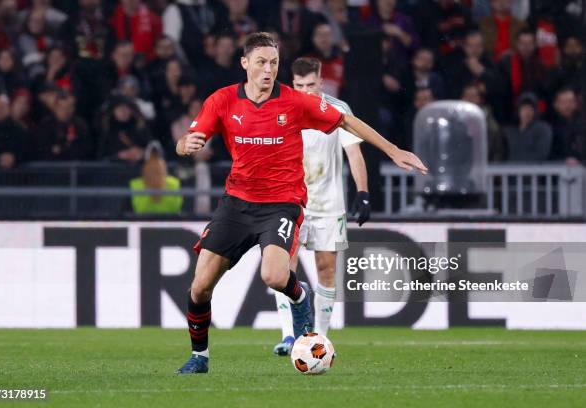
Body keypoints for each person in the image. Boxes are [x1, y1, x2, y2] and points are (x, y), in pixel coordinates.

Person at [174, 32, 427, 374]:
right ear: (245, 63)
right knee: (200, 287)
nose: (268, 70)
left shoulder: (295, 102)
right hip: (235, 204)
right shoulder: (221, 101)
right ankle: (199, 357)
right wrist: (185, 145)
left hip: (281, 204)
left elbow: (347, 120)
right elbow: (188, 140)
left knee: (275, 276)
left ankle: (300, 296)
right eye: (261, 62)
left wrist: (393, 150)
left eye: (274, 63)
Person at [272, 57, 369, 355]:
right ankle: (289, 335)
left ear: (321, 83)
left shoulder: (338, 110)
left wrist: (363, 192)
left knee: (326, 269)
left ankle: (319, 339)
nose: (305, 91)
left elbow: (353, 153)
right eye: (299, 85)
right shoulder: (282, 109)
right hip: (290, 202)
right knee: (282, 267)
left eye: (310, 85)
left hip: (328, 204)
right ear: (292, 84)